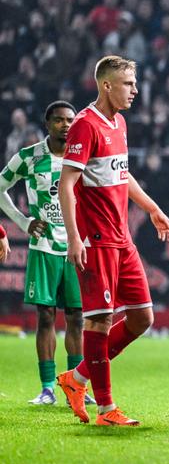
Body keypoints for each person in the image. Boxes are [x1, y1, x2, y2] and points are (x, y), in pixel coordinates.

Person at [55, 55, 169, 427]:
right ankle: (106, 409)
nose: (135, 90)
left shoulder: (118, 123)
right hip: (95, 241)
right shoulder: (84, 125)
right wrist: (74, 238)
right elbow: (66, 185)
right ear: (106, 85)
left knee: (142, 317)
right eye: (128, 83)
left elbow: (122, 175)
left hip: (122, 238)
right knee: (99, 322)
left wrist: (153, 208)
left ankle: (76, 379)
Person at [0, 101, 93, 406]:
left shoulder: (85, 156)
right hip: (44, 246)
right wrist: (24, 222)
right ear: (47, 123)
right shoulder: (29, 157)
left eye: (70, 120)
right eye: (59, 120)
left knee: (78, 317)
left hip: (77, 246)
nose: (66, 125)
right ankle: (47, 388)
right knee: (45, 316)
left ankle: (75, 386)